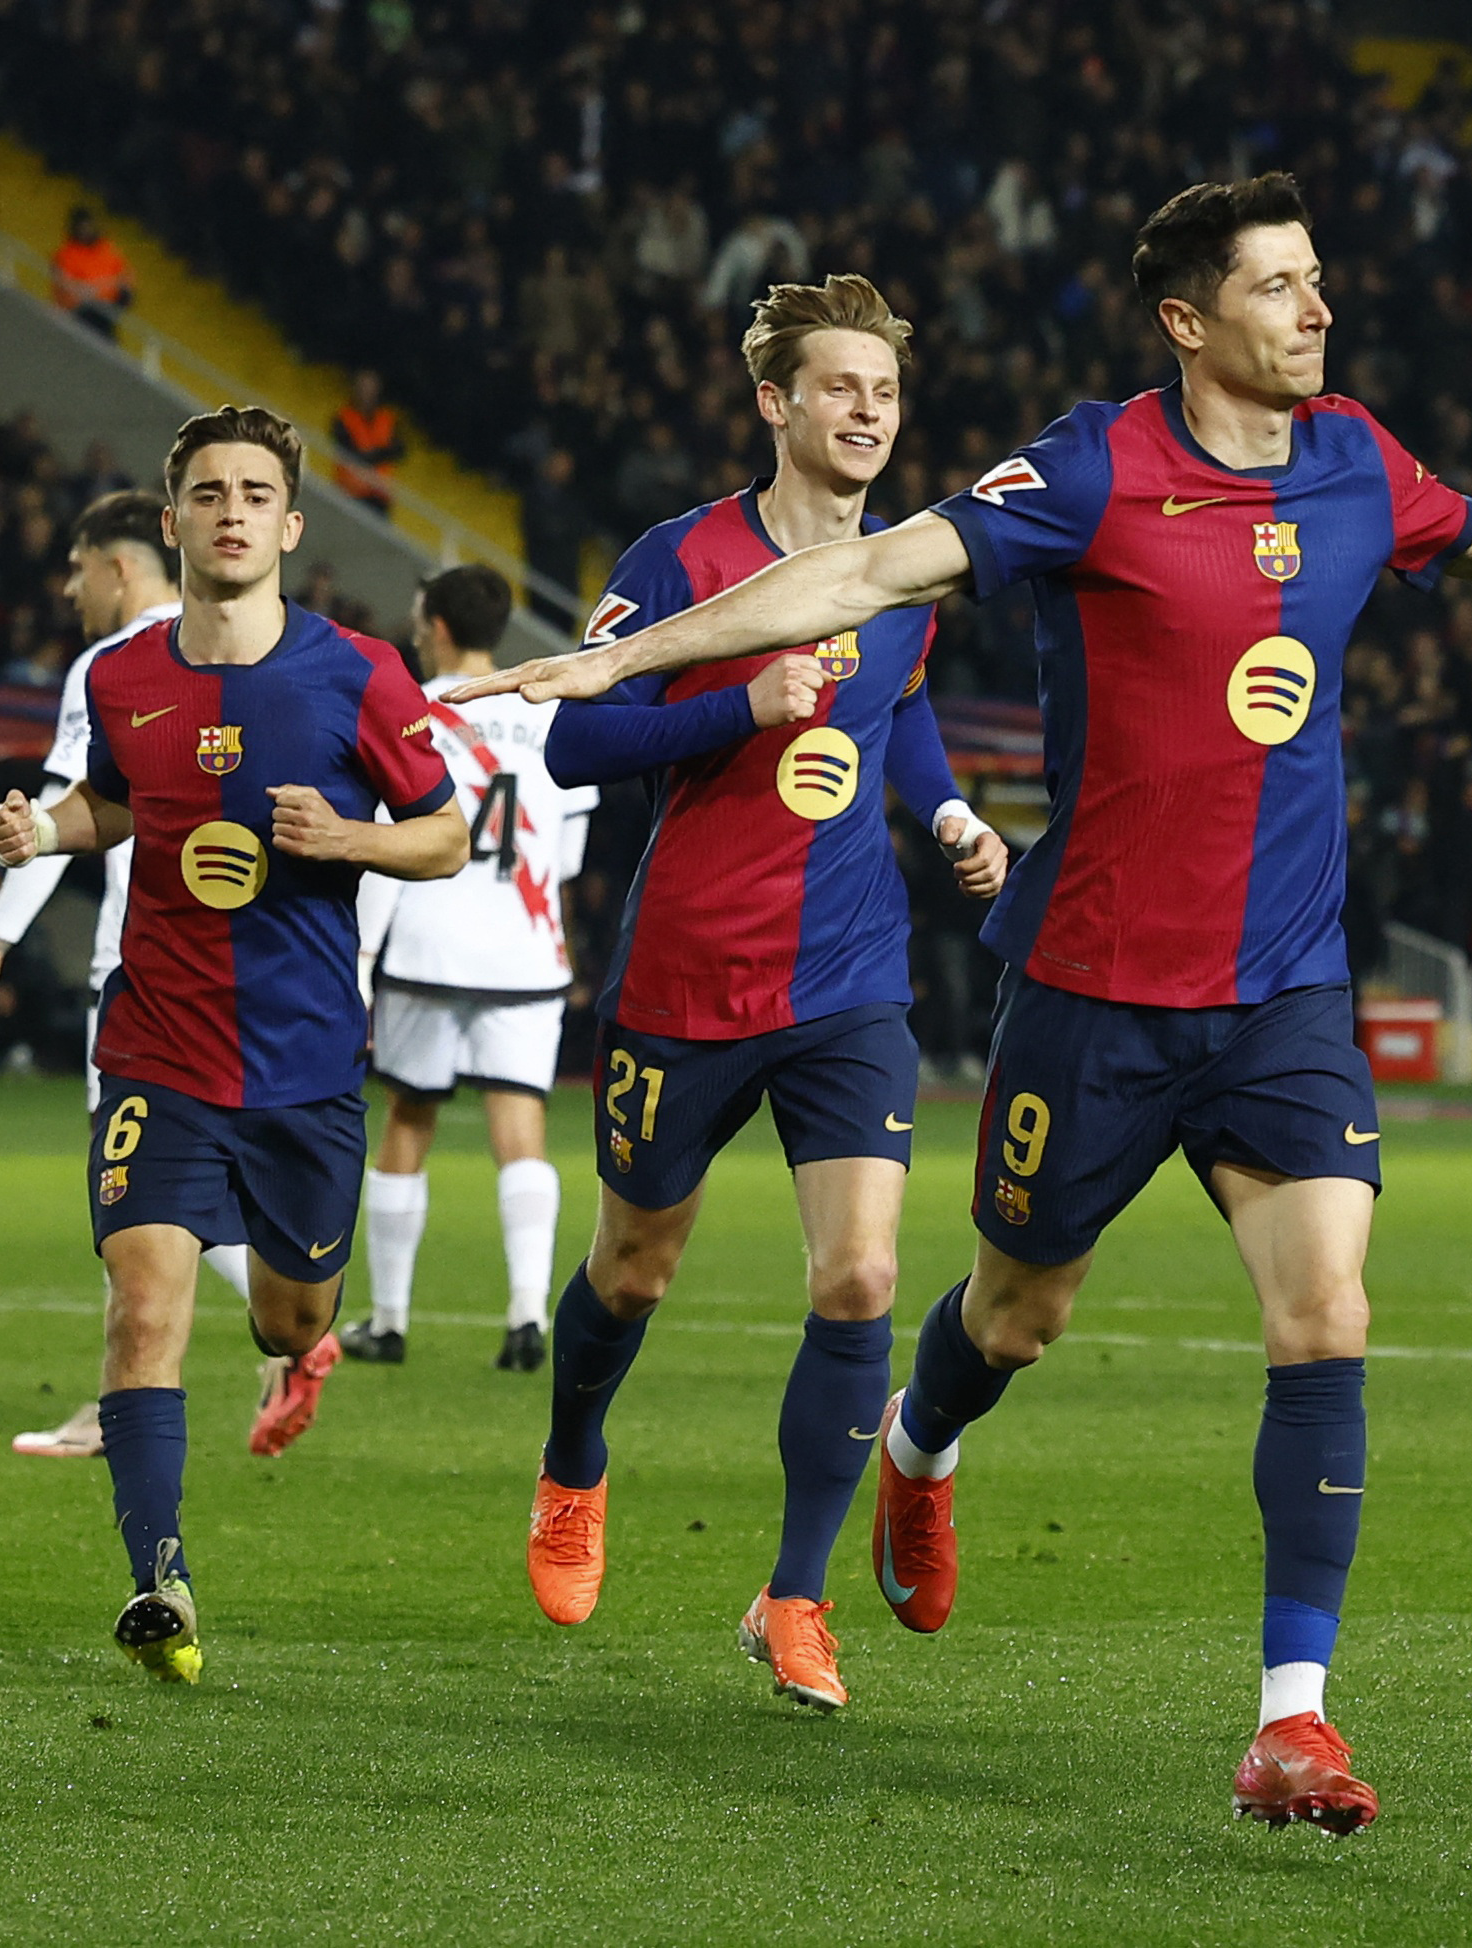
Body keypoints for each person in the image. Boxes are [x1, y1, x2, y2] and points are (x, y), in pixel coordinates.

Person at [460, 178, 1472, 1827]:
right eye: (1278, 288)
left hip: (1282, 995)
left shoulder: (1353, 459)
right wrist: (622, 659)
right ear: (1185, 319)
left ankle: (1291, 1718)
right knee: (1015, 1313)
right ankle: (918, 1447)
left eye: (1315, 282)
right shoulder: (1091, 469)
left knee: (1325, 1312)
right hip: (1092, 994)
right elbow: (876, 570)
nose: (1316, 311)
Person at [514, 272, 1006, 1715]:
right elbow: (571, 746)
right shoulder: (680, 559)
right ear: (775, 403)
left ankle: (794, 1596)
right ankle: (572, 1465)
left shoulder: (914, 567)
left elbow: (900, 712)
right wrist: (741, 702)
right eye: (843, 387)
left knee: (859, 1275)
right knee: (633, 1269)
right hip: (684, 978)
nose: (870, 411)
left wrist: (955, 815)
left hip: (850, 980)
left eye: (888, 392)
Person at [0, 405, 467, 1682]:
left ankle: (305, 1337)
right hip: (158, 1049)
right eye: (209, 492)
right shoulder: (120, 677)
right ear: (175, 518)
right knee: (143, 1311)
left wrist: (349, 841)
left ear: (291, 526)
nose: (233, 509)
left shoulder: (359, 672)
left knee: (285, 1313)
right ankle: (162, 1580)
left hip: (306, 1067)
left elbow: (447, 832)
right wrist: (47, 832)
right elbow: (121, 804)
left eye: (256, 492)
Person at [0, 490, 255, 1462]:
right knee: (188, 1174)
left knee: (130, 1189)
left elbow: (58, 819)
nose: (72, 590)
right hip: (239, 962)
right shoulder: (242, 644)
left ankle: (125, 1400)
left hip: (141, 967)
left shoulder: (118, 664)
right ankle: (296, 1315)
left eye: (77, 570)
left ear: (118, 566)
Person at [342, 563, 596, 1371]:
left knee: (408, 1120)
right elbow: (569, 857)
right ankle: (528, 1316)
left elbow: (386, 840)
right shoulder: (550, 707)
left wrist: (364, 956)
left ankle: (388, 1320)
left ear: (438, 624)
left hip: (425, 939)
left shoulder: (409, 708)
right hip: (523, 948)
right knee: (520, 1126)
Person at [51, 206, 132, 338]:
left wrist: (98, 287)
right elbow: (65, 285)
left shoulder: (107, 249)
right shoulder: (65, 255)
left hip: (106, 310)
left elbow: (125, 278)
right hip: (79, 312)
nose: (86, 230)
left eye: (88, 226)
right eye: (82, 227)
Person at [330, 370, 404, 513]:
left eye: (370, 387)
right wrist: (380, 454)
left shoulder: (387, 419)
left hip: (379, 497)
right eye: (363, 387)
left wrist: (371, 456)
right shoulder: (344, 418)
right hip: (348, 492)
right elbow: (347, 451)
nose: (366, 392)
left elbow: (400, 450)